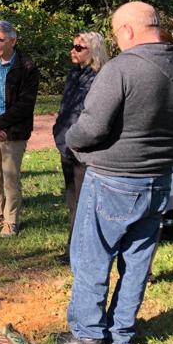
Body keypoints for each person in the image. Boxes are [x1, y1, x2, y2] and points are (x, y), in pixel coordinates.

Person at [54, 1, 173, 344]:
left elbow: (90, 128)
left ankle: (89, 334)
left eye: (118, 33)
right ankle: (121, 335)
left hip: (113, 180)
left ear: (128, 31)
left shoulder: (121, 68)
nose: (117, 41)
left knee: (92, 256)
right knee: (137, 261)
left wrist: (71, 139)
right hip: (160, 181)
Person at [0, 20, 39, 238]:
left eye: (0, 40)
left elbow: (25, 103)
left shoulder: (27, 66)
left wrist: (1, 124)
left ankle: (10, 222)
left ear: (13, 40)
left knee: (10, 178)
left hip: (13, 131)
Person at [52, 32, 110, 264]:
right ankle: (74, 249)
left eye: (79, 47)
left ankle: (80, 251)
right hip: (67, 145)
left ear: (94, 51)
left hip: (85, 150)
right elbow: (68, 108)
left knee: (86, 203)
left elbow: (92, 117)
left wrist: (76, 139)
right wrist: (59, 132)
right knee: (73, 201)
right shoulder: (75, 74)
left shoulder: (100, 78)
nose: (73, 51)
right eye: (73, 46)